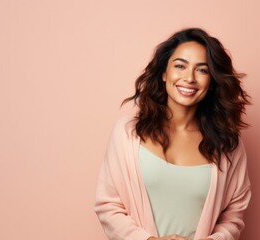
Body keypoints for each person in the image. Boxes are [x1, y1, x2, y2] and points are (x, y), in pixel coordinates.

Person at [95, 28, 251, 240]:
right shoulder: (127, 133)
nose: (189, 78)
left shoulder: (228, 144)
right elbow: (108, 205)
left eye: (202, 70)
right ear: (164, 73)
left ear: (212, 80)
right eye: (180, 66)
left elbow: (233, 216)